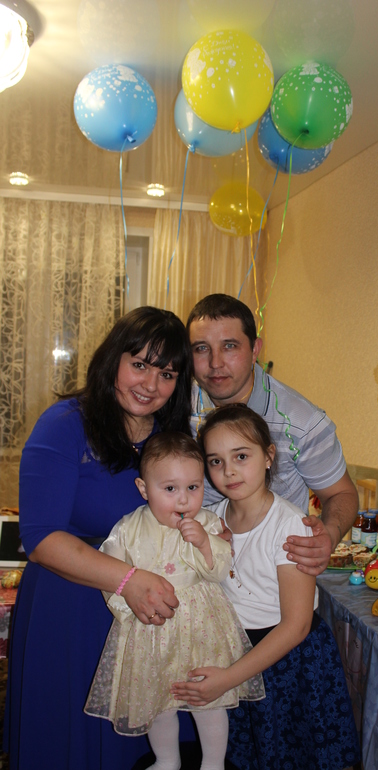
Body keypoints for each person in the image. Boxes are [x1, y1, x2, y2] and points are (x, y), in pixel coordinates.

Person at [4, 307, 193, 770]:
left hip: (150, 614)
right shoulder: (65, 423)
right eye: (140, 364)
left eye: (167, 373)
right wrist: (128, 580)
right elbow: (41, 537)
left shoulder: (172, 437)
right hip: (73, 608)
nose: (150, 384)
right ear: (113, 359)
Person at [172, 404, 360, 770]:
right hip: (237, 652)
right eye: (215, 461)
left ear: (269, 456)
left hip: (288, 662)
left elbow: (296, 625)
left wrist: (228, 679)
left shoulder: (290, 526)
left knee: (289, 755)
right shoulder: (212, 520)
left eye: (241, 456)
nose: (228, 471)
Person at [85, 431, 264, 770]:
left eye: (193, 487)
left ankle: (213, 762)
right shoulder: (128, 528)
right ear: (144, 489)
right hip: (152, 628)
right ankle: (167, 760)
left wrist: (205, 544)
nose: (183, 500)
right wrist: (129, 612)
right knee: (159, 703)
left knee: (208, 700)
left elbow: (220, 571)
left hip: (202, 626)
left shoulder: (208, 522)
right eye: (170, 489)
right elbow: (111, 575)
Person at [186, 294, 359, 575]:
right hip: (193, 572)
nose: (215, 363)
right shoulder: (174, 407)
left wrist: (329, 534)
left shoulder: (301, 422)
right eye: (201, 348)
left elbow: (341, 493)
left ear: (255, 349)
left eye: (229, 346)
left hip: (273, 578)